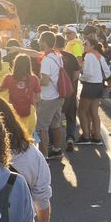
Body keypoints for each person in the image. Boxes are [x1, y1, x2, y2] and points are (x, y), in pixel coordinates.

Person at [34, 32, 68, 160]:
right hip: (59, 95)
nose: (39, 42)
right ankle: (57, 149)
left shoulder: (46, 60)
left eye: (40, 40)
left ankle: (44, 156)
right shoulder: (57, 55)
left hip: (48, 97)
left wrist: (34, 81)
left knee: (42, 127)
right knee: (56, 124)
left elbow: (45, 80)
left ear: (44, 42)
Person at [75, 38, 111, 145]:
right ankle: (97, 136)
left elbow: (88, 73)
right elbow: (108, 72)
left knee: (82, 111)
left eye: (86, 44)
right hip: (98, 85)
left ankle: (86, 136)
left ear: (92, 46)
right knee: (94, 112)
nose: (84, 45)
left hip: (90, 85)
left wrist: (81, 78)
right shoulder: (99, 55)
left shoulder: (89, 55)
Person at [0, 54, 40, 140]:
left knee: (13, 137)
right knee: (28, 138)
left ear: (15, 64)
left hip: (13, 112)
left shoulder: (8, 78)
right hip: (29, 112)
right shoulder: (34, 78)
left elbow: (0, 89)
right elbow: (38, 98)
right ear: (29, 65)